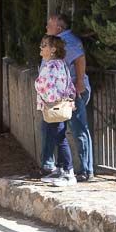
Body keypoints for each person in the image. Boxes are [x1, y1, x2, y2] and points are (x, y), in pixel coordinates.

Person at [42, 13, 94, 182]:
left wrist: (79, 83)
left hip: (71, 93)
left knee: (78, 130)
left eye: (49, 24)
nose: (46, 27)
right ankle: (61, 167)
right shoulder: (58, 41)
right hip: (61, 94)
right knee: (57, 131)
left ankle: (85, 170)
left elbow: (79, 59)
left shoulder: (67, 40)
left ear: (59, 27)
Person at [35, 33, 77, 187]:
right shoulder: (61, 63)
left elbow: (45, 86)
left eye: (44, 45)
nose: (41, 47)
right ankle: (60, 169)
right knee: (58, 136)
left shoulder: (51, 66)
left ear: (53, 49)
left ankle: (69, 172)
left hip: (54, 107)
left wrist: (47, 99)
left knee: (60, 138)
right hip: (61, 105)